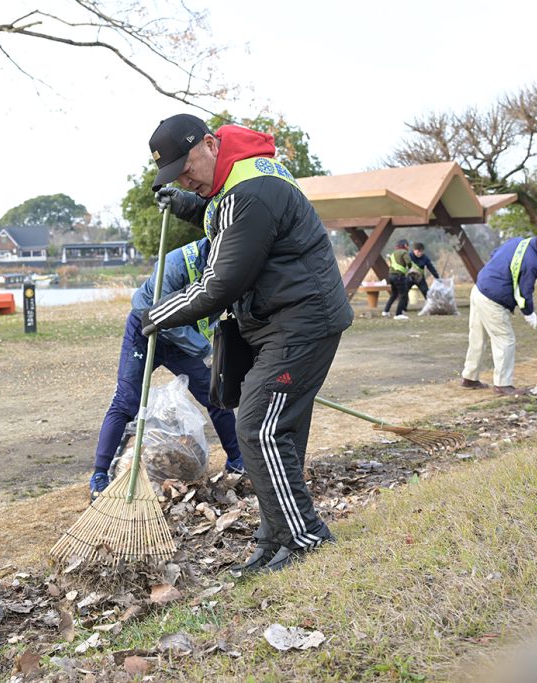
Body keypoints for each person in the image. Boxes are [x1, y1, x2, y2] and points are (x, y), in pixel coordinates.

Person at [145, 113, 353, 574]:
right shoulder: (240, 177)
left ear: (210, 144)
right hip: (281, 319)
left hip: (301, 322)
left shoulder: (252, 192)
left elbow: (219, 284)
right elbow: (223, 216)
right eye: (174, 174)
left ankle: (306, 538)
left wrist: (157, 313)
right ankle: (275, 537)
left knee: (258, 428)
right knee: (279, 435)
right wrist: (184, 203)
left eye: (186, 166)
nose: (184, 176)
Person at [90, 237, 244, 499]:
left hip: (187, 339)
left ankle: (238, 461)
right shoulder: (176, 263)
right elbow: (162, 316)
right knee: (127, 400)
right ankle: (100, 474)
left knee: (215, 396)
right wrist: (206, 351)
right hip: (146, 328)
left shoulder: (232, 266)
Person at [461, 232, 537, 396]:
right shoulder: (532, 262)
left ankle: (469, 377)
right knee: (505, 340)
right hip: (492, 300)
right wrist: (529, 313)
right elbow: (524, 293)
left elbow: (494, 254)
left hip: (478, 290)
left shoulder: (517, 241)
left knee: (477, 337)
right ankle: (502, 384)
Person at [381, 239, 412, 320]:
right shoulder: (404, 252)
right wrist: (410, 267)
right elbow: (408, 262)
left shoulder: (394, 253)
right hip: (399, 276)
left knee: (394, 294)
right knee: (403, 295)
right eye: (407, 245)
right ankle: (398, 313)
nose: (408, 247)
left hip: (391, 276)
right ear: (405, 245)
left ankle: (385, 311)